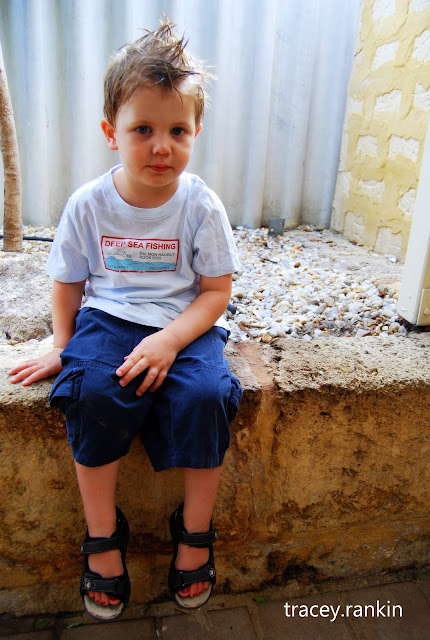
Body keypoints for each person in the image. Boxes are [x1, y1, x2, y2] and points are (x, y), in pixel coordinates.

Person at [8, 19, 242, 621]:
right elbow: (68, 281)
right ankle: (102, 536)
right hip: (108, 320)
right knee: (91, 394)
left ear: (195, 133)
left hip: (185, 324)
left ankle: (194, 532)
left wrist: (169, 340)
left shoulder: (200, 204)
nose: (162, 146)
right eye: (143, 130)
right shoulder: (89, 203)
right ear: (111, 132)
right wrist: (63, 345)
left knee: (206, 397)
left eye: (177, 131)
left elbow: (216, 292)